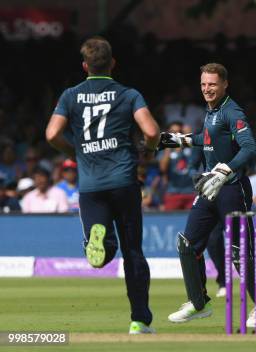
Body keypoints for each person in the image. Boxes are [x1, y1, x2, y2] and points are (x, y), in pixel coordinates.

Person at [45, 36, 160, 334]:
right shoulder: (128, 94)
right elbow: (151, 130)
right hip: (123, 180)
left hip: (90, 184)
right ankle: (140, 320)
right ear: (112, 63)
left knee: (103, 254)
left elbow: (51, 134)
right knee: (133, 251)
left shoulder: (70, 95)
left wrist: (76, 152)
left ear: (85, 66)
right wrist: (146, 150)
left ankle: (101, 241)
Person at [159, 63, 256, 327]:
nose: (207, 89)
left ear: (225, 84)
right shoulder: (211, 111)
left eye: (212, 84)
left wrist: (225, 169)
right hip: (208, 187)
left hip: (232, 188)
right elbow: (210, 139)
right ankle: (198, 302)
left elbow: (249, 148)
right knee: (187, 245)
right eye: (203, 84)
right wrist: (180, 140)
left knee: (240, 252)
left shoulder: (232, 111)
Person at [159, 121, 196, 210]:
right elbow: (162, 169)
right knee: (171, 220)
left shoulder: (191, 147)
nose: (176, 135)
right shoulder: (165, 149)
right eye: (173, 132)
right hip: (173, 193)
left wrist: (188, 136)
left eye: (179, 132)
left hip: (191, 193)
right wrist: (169, 145)